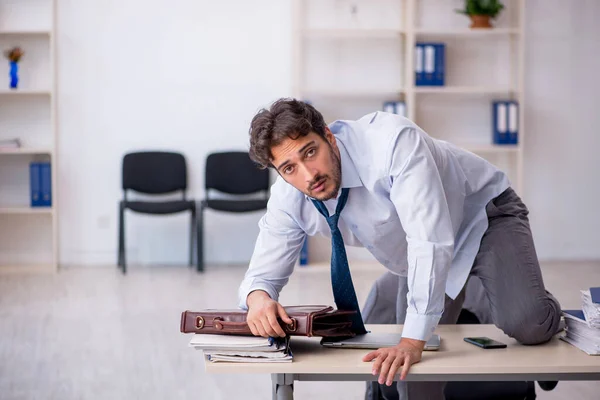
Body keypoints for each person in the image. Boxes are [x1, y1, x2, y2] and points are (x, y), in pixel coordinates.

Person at [237, 98, 562, 399]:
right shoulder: (289, 195)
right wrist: (259, 298)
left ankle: (528, 303)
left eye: (310, 152)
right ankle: (444, 288)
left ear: (328, 135)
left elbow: (429, 240)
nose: (309, 175)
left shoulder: (392, 142)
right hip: (414, 257)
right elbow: (263, 273)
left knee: (526, 323)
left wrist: (411, 339)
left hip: (482, 216)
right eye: (289, 167)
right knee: (411, 375)